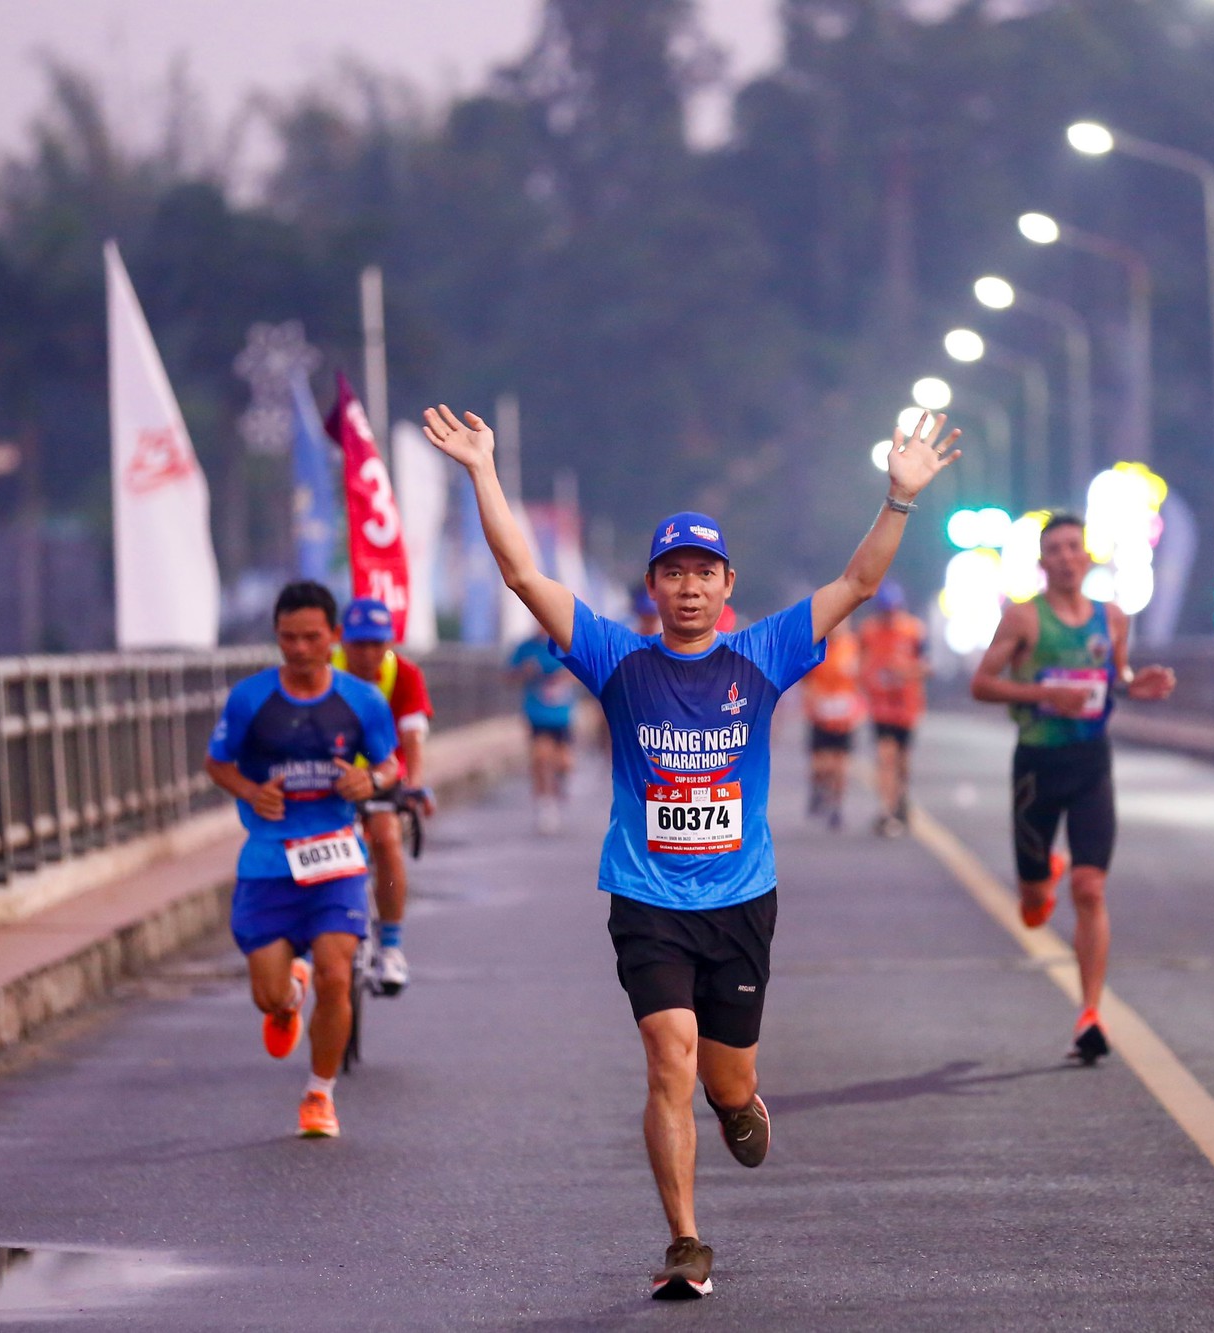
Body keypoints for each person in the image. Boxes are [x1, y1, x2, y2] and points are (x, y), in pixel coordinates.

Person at [423, 400, 959, 1301]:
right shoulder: (615, 660)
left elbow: (857, 585)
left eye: (703, 572)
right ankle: (685, 1239)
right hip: (647, 895)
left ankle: (739, 1101)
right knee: (667, 1052)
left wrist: (899, 500)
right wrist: (482, 471)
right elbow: (521, 573)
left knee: (722, 1076)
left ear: (726, 584)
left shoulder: (764, 654)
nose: (689, 588)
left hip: (741, 898)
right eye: (672, 573)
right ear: (653, 589)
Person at [969, 514, 1176, 1065]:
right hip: (1037, 767)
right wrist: (1041, 694)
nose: (1065, 556)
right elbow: (981, 683)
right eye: (1054, 549)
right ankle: (1042, 879)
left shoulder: (1113, 619)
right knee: (1035, 907)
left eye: (1073, 547)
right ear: (1043, 563)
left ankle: (1090, 1014)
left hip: (1091, 763)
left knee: (1091, 889)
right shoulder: (1023, 619)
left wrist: (1137, 686)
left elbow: (1116, 678)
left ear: (1088, 557)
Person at [205, 580, 402, 1139]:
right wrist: (249, 791)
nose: (299, 649)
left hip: (334, 861)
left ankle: (319, 1095)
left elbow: (392, 765)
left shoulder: (362, 701)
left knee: (337, 978)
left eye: (311, 637)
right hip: (268, 863)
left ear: (333, 637)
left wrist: (371, 779)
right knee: (266, 996)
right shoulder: (250, 699)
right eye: (288, 638)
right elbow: (217, 763)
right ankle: (289, 992)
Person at [333, 597, 435, 996]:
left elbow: (412, 737)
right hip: (332, 779)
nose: (368, 653)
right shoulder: (326, 672)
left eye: (377, 643)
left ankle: (391, 947)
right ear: (342, 640)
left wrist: (415, 785)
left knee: (388, 838)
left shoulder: (405, 675)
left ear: (390, 641)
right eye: (358, 644)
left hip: (385, 775)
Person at [859, 581, 929, 837]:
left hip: (907, 706)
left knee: (902, 762)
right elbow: (860, 661)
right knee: (885, 757)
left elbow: (927, 665)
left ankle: (900, 798)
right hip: (880, 708)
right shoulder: (869, 631)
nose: (888, 616)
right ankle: (887, 811)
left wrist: (905, 672)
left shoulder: (913, 630)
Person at [511, 630, 578, 835]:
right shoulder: (526, 648)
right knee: (540, 758)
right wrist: (525, 672)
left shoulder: (567, 644)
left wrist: (565, 676)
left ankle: (560, 782)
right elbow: (508, 676)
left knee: (564, 763)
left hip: (562, 716)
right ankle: (545, 805)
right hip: (537, 715)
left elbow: (584, 673)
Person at [798, 620, 864, 828]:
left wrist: (859, 706)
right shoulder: (817, 648)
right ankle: (818, 787)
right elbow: (805, 681)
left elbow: (861, 679)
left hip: (844, 719)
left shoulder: (853, 646)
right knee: (822, 765)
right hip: (821, 716)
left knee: (841, 766)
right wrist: (814, 701)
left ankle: (837, 806)